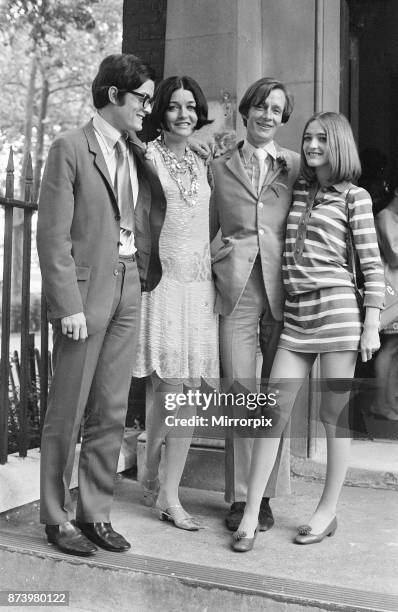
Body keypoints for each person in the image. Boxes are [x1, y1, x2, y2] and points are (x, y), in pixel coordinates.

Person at [231, 111, 385, 552]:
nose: (312, 146)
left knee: (333, 419)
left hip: (337, 312)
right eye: (308, 138)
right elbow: (264, 159)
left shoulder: (355, 197)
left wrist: (371, 321)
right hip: (297, 315)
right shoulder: (300, 188)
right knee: (272, 414)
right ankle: (248, 513)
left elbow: (371, 264)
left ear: (337, 144)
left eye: (321, 139)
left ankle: (327, 511)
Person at [37, 54, 166, 556]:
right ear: (114, 94)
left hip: (128, 284)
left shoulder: (135, 151)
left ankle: (95, 514)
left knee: (112, 408)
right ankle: (54, 516)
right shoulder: (69, 147)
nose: (147, 109)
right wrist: (66, 304)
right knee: (67, 410)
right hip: (85, 295)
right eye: (142, 98)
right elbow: (52, 236)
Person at [209, 78, 301, 533]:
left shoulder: (297, 165)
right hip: (237, 289)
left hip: (285, 289)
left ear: (284, 117)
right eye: (261, 106)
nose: (267, 114)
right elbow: (200, 227)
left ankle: (264, 494)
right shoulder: (219, 165)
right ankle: (242, 497)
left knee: (276, 397)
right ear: (247, 111)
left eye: (276, 109)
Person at [133, 76, 219, 530]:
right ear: (160, 113)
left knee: (188, 391)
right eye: (173, 107)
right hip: (162, 284)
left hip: (199, 286)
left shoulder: (206, 162)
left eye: (191, 106)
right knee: (164, 389)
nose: (184, 114)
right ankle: (151, 466)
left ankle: (169, 494)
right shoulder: (145, 158)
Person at [373, 178, 398, 420]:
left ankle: (389, 403)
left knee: (396, 348)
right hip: (393, 289)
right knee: (390, 347)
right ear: (397, 192)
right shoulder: (384, 216)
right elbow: (394, 255)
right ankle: (381, 404)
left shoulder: (397, 219)